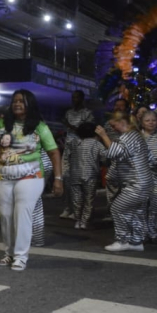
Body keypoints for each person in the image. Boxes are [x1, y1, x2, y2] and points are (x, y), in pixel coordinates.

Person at [0, 89, 63, 271]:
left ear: (29, 105)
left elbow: (54, 152)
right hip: (3, 176)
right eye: (15, 101)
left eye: (22, 101)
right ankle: (8, 253)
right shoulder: (3, 123)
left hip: (30, 177)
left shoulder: (39, 126)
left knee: (22, 214)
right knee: (6, 216)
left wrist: (58, 178)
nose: (17, 104)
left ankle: (20, 256)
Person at [95, 113, 153, 251]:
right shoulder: (136, 135)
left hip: (137, 183)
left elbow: (114, 153)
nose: (112, 129)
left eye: (113, 125)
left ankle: (123, 240)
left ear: (122, 122)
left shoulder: (128, 136)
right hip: (144, 181)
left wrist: (103, 135)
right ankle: (136, 242)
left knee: (117, 208)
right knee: (136, 211)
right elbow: (150, 158)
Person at [59, 90, 95, 219]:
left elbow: (87, 130)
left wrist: (68, 125)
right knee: (66, 179)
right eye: (73, 97)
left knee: (78, 181)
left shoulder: (87, 113)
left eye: (77, 97)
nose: (74, 100)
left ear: (82, 98)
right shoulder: (69, 112)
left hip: (81, 149)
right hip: (68, 148)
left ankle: (77, 210)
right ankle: (68, 207)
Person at [64, 121, 105, 230]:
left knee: (76, 199)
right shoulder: (96, 144)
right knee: (89, 200)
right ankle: (84, 221)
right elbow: (105, 158)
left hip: (74, 174)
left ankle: (77, 220)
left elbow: (67, 156)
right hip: (90, 175)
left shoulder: (74, 142)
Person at [141, 111, 157, 243]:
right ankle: (143, 231)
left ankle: (152, 231)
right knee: (141, 205)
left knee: (154, 205)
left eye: (153, 120)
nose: (151, 123)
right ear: (142, 122)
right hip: (140, 177)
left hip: (155, 176)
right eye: (148, 120)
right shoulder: (137, 137)